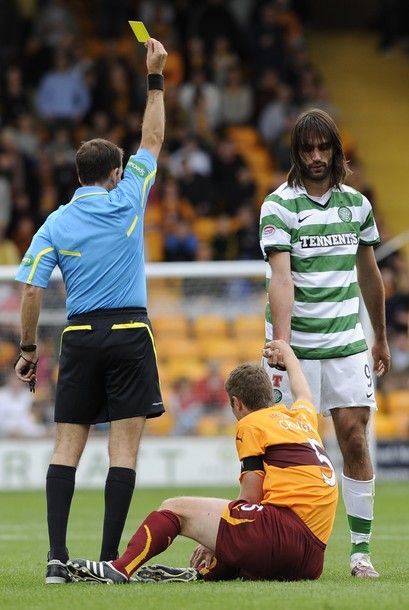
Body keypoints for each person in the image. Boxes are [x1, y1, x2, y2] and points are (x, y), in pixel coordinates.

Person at [14, 38, 168, 584]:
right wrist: (154, 78)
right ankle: (108, 561)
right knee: (122, 450)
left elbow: (31, 289)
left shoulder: (55, 222)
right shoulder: (129, 199)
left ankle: (57, 560)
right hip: (129, 330)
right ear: (114, 173)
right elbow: (153, 135)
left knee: (67, 446)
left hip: (78, 335)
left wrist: (29, 349)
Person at [66, 340, 338, 584]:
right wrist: (289, 356)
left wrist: (220, 536)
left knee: (174, 508)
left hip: (284, 538)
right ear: (269, 395)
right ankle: (200, 574)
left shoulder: (252, 424)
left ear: (236, 403)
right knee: (243, 530)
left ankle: (119, 569)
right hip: (312, 559)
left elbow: (250, 496)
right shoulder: (301, 419)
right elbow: (304, 394)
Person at [259, 108, 391, 578]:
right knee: (289, 448)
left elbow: (369, 275)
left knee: (355, 437)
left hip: (348, 344)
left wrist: (379, 336)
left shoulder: (357, 204)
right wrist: (282, 344)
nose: (316, 157)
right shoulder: (277, 205)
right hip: (297, 347)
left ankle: (360, 552)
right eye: (307, 149)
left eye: (324, 148)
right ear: (296, 152)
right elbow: (281, 278)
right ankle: (281, 547)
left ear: (336, 150)